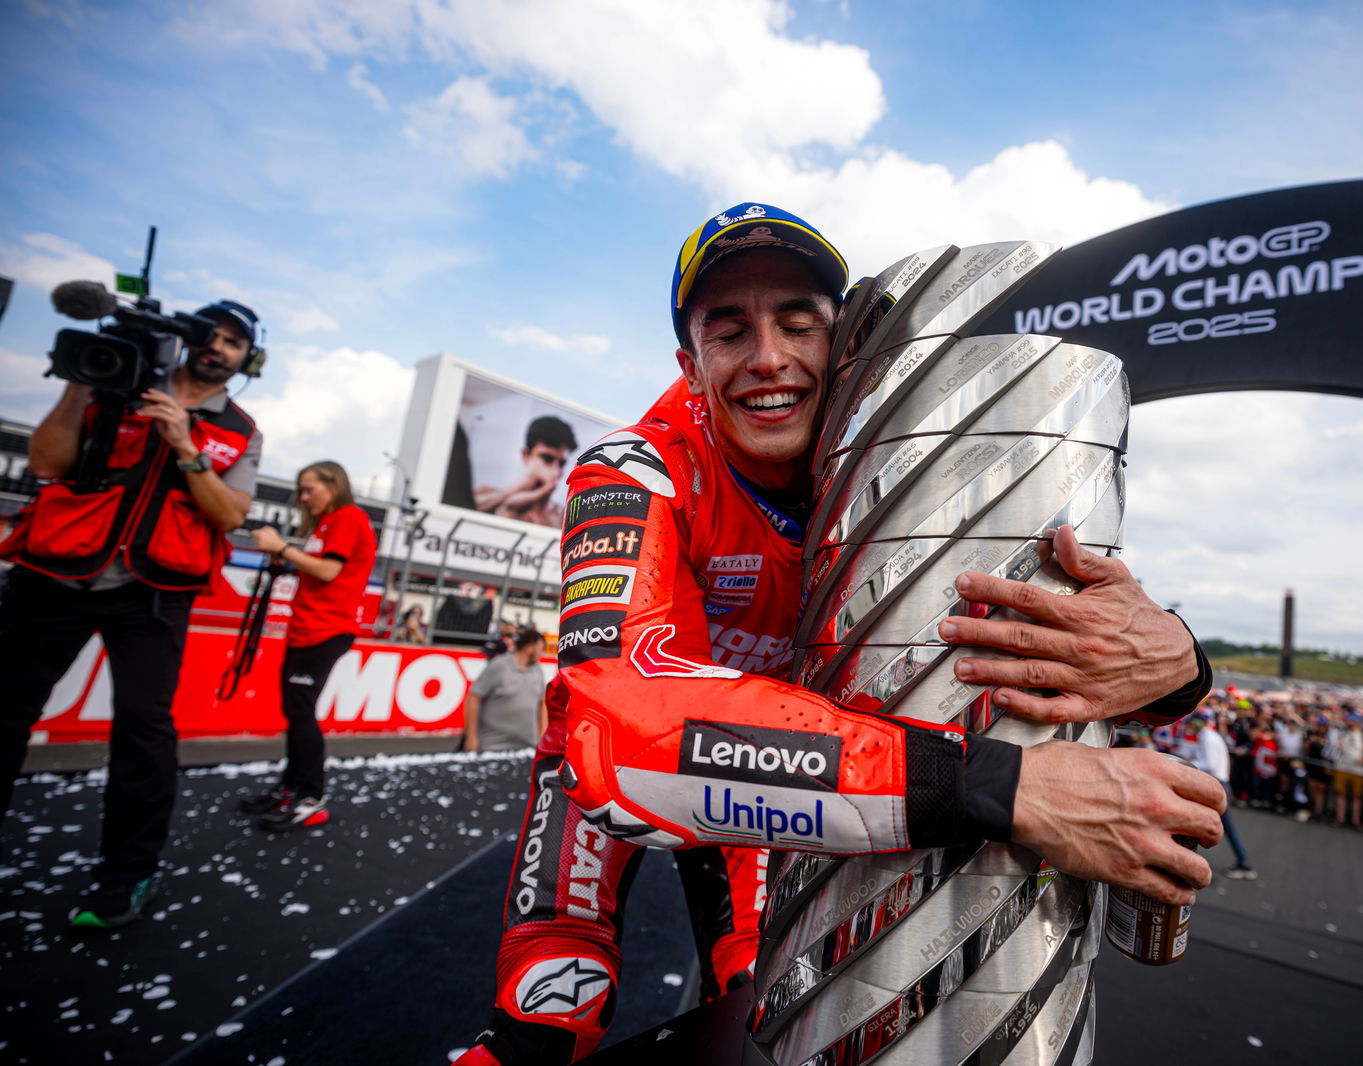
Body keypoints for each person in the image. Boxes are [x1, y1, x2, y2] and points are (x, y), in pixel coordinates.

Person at [453, 202, 1222, 1066]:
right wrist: (1007, 788)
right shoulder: (635, 467)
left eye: (796, 322)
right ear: (690, 361)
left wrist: (1178, 665)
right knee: (548, 1010)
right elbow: (618, 722)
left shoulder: (902, 465)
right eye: (731, 331)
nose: (769, 359)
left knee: (762, 997)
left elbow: (1032, 632)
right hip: (624, 766)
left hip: (789, 775)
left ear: (845, 345)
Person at [0, 300, 264, 929]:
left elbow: (230, 515)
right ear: (189, 339)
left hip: (154, 587)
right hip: (56, 570)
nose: (217, 347)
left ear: (246, 359)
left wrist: (184, 444)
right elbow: (46, 463)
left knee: (145, 731)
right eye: (210, 335)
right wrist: (80, 383)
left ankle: (128, 873)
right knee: (6, 707)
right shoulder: (116, 381)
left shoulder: (239, 427)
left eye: (232, 342)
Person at [242, 461, 377, 831]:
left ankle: (310, 798)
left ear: (333, 485)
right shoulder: (328, 522)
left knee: (301, 711)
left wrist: (282, 547)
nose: (303, 497)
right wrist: (287, 564)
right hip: (305, 627)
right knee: (295, 710)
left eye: (309, 488)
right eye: (300, 490)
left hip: (327, 629)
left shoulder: (348, 517)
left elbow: (330, 571)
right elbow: (320, 568)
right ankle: (292, 788)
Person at [1182, 711, 1257, 879]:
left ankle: (1244, 863)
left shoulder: (1207, 738)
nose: (1188, 728)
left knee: (1222, 825)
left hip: (1215, 785)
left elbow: (1210, 765)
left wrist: (1187, 764)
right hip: (1217, 784)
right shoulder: (1209, 736)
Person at [474, 415, 578, 526]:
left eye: (562, 463)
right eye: (547, 459)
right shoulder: (483, 493)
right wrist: (514, 490)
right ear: (525, 455)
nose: (555, 470)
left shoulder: (563, 516)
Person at [464, 628, 547, 752]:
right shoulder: (499, 666)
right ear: (529, 648)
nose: (542, 654)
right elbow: (473, 699)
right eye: (540, 649)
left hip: (527, 745)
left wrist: (543, 735)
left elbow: (542, 703)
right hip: (493, 746)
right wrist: (471, 738)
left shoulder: (537, 670)